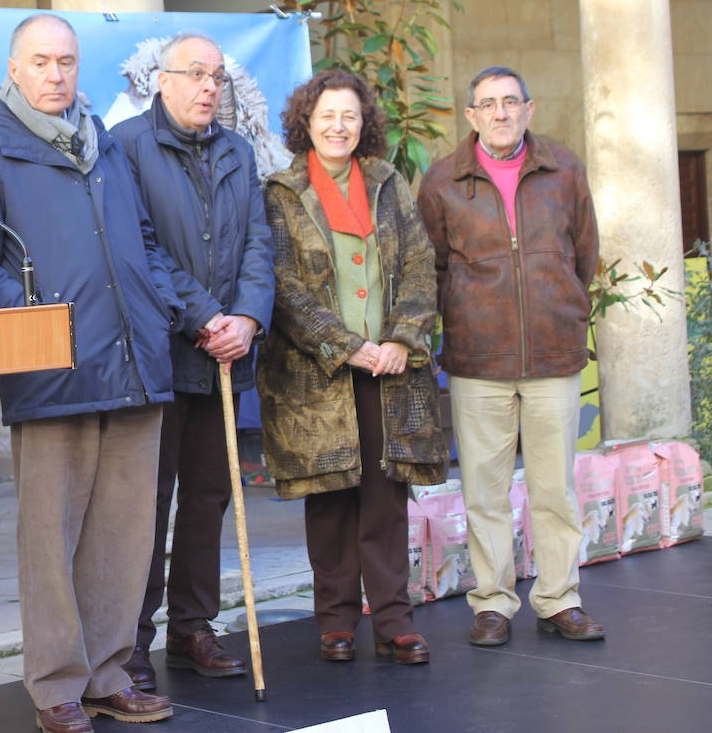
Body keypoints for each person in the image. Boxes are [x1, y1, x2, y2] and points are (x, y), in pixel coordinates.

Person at [0, 14, 179, 733]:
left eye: (67, 62)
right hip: (53, 369)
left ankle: (109, 673)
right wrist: (38, 322)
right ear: (13, 68)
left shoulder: (101, 138)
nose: (56, 75)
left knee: (125, 532)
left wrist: (159, 304)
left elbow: (139, 236)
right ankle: (54, 687)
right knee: (51, 538)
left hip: (135, 358)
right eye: (41, 62)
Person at [257, 69, 446, 666]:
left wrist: (401, 337)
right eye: (327, 116)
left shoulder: (389, 183)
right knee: (331, 497)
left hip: (389, 369)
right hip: (320, 373)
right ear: (306, 124)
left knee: (386, 498)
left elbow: (420, 264)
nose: (338, 127)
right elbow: (282, 286)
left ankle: (394, 622)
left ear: (364, 124)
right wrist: (344, 345)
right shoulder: (281, 192)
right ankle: (335, 622)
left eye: (350, 116)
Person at [417, 65, 603, 648]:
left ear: (529, 109)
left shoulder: (564, 169)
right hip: (478, 358)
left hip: (553, 353)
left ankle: (559, 599)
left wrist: (566, 307)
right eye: (487, 104)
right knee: (484, 489)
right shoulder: (443, 180)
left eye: (510, 102)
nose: (500, 113)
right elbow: (431, 267)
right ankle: (493, 602)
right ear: (470, 116)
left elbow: (585, 252)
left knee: (555, 488)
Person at [109, 33, 273, 689]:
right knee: (147, 502)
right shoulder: (128, 148)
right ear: (162, 81)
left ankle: (193, 629)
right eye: (196, 75)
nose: (209, 87)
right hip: (159, 357)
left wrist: (248, 318)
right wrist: (205, 316)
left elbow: (261, 240)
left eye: (217, 77)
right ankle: (131, 641)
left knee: (210, 496)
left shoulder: (238, 151)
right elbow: (141, 250)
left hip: (226, 359)